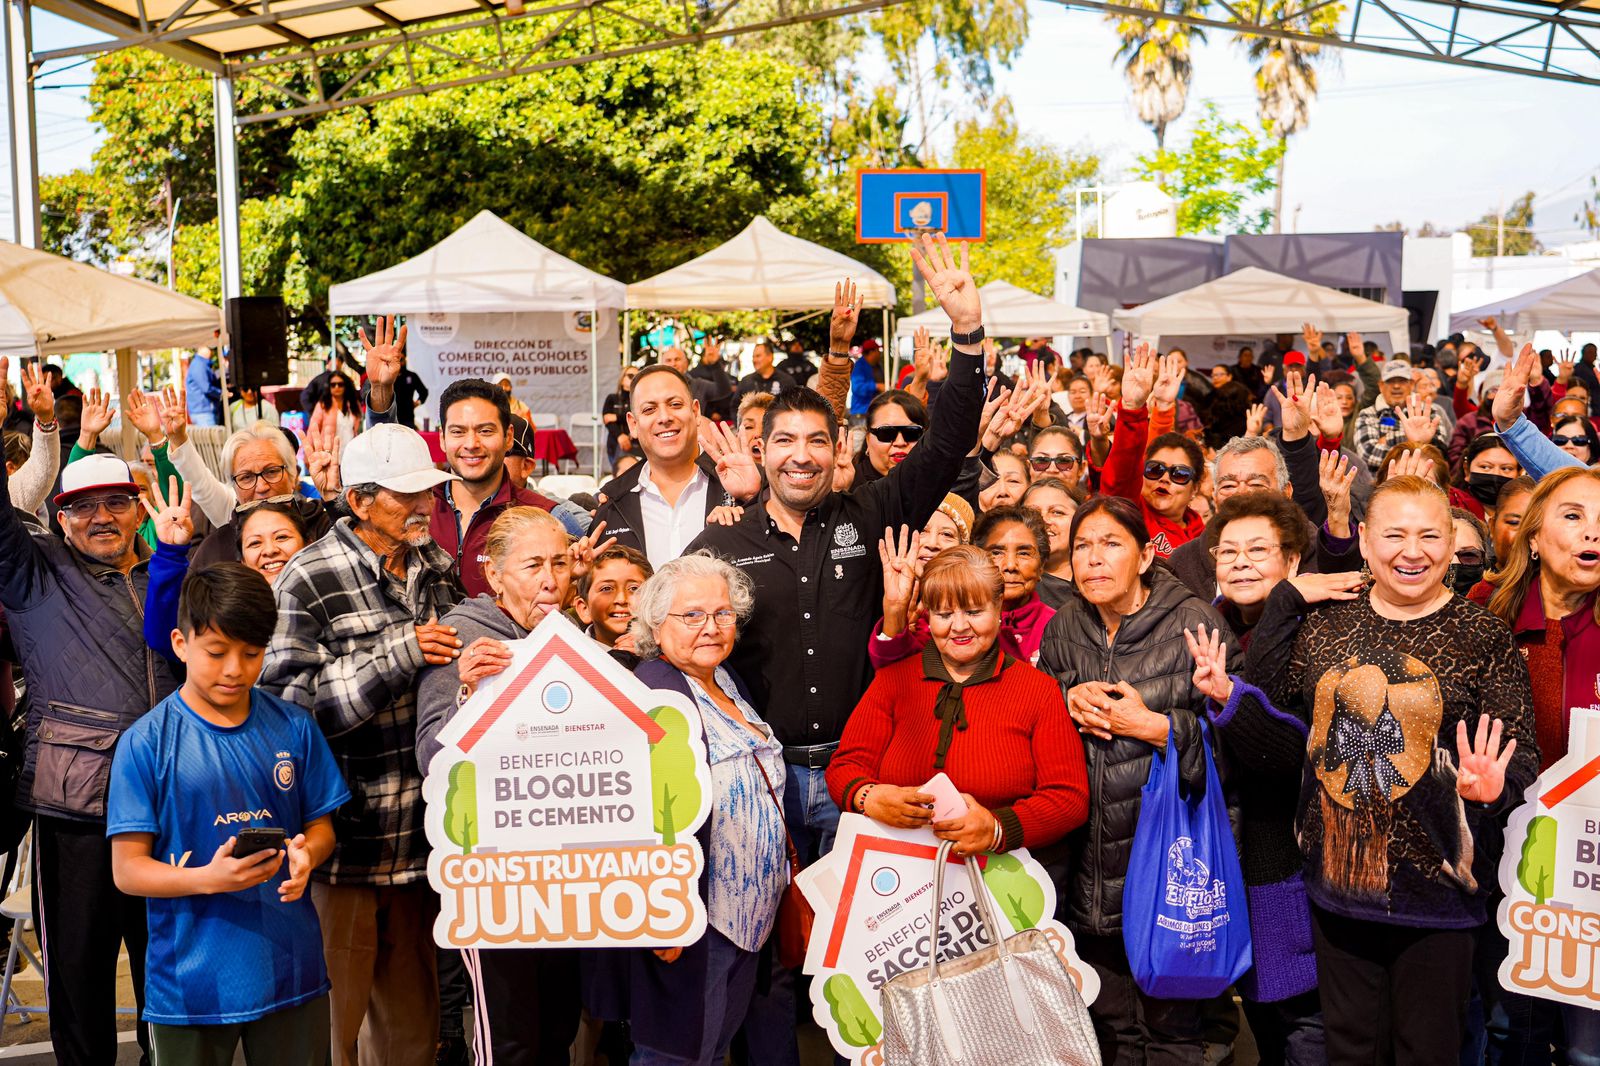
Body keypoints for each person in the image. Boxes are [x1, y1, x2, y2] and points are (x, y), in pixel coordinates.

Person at [687, 240, 985, 1061]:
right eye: (785, 442)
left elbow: (948, 443)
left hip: (869, 776)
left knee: (882, 949)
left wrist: (967, 339)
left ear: (837, 451)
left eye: (817, 442)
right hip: (765, 780)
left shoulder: (872, 515)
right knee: (772, 959)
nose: (802, 456)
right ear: (762, 452)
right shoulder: (722, 547)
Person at [1251, 475, 1538, 1066]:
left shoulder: (1483, 635)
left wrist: (1491, 791)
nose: (1413, 551)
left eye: (1430, 535)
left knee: (1427, 1052)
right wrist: (1286, 600)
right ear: (1364, 539)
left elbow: (1520, 756)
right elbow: (1265, 706)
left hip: (1442, 897)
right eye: (1395, 535)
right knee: (1350, 1049)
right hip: (1337, 889)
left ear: (1453, 544)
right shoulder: (1328, 622)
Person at [260, 423, 465, 1066]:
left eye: (427, 491)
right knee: (331, 1033)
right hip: (344, 851)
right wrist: (398, 654)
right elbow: (290, 716)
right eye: (405, 496)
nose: (423, 506)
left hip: (420, 847)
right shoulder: (305, 577)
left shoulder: (436, 565)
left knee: (410, 1035)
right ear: (359, 502)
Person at [108, 564, 348, 1066]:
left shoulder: (293, 728)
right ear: (180, 643)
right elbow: (128, 871)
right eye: (216, 653)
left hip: (292, 970)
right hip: (188, 985)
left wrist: (309, 856)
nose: (235, 669)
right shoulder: (147, 742)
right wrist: (209, 878)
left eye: (252, 653)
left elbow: (320, 827)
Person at [1038, 494, 1236, 1064]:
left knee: (1173, 1036)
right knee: (1109, 1030)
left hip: (1170, 867)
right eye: (1082, 547)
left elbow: (1241, 743)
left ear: (1147, 556)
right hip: (1089, 867)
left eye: (1111, 544)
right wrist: (1062, 699)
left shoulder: (1195, 622)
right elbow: (1039, 724)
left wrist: (1156, 728)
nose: (1094, 560)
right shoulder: (1065, 626)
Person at [0, 450, 181, 1065]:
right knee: (79, 978)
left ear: (139, 510)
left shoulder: (168, 570)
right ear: (59, 516)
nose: (101, 517)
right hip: (77, 809)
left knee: (170, 973)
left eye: (116, 502)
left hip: (169, 805)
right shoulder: (35, 573)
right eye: (83, 506)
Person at [586, 553, 787, 1066]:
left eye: (723, 614)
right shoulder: (656, 690)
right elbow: (637, 816)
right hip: (694, 919)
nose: (712, 628)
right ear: (657, 622)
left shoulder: (725, 681)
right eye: (692, 615)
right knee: (673, 1055)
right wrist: (663, 914)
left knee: (711, 1049)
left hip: (743, 917)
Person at [415, 507, 587, 1064]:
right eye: (533, 564)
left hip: (566, 872)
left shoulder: (573, 637)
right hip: (495, 875)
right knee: (509, 1039)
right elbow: (431, 755)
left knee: (558, 1027)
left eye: (560, 563)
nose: (550, 579)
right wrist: (466, 693)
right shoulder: (462, 635)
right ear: (494, 575)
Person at [828, 543, 1090, 856]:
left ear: (998, 609)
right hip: (898, 874)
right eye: (944, 614)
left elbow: (1068, 798)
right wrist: (868, 796)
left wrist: (996, 828)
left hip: (996, 877)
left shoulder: (1038, 691)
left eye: (974, 612)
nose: (959, 626)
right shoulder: (894, 680)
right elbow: (846, 765)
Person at [1471, 467, 1600, 1064]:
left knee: (1584, 1050)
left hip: (1589, 869)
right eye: (1573, 517)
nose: (1591, 534)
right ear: (1531, 534)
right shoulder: (1481, 610)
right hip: (1500, 855)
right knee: (1506, 1029)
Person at [591, 366, 754, 568]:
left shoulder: (739, 487)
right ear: (633, 424)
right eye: (649, 409)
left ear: (695, 412)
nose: (664, 417)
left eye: (675, 404)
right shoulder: (613, 506)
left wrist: (755, 497)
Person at [426, 378, 575, 596]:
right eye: (458, 432)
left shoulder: (549, 517)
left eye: (485, 431)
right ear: (442, 439)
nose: (471, 444)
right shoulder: (417, 509)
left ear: (508, 437)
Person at [871, 506, 1056, 669]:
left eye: (1024, 553)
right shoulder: (935, 619)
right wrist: (896, 617)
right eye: (996, 552)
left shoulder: (1057, 626)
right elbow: (896, 678)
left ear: (1042, 566)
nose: (1010, 565)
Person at [174, 418, 335, 570]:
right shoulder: (216, 550)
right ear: (234, 487)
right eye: (247, 477)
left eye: (271, 472)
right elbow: (202, 485)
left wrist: (333, 497)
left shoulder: (325, 527)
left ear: (293, 476)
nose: (261, 487)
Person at [1100, 346, 1205, 559]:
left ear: (1195, 488)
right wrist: (1131, 408)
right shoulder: (1131, 513)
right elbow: (1124, 466)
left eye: (1180, 474)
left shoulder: (1205, 537)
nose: (1164, 478)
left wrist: (1166, 405)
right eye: (1154, 470)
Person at [1352, 360, 1448, 474]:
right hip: (1382, 485)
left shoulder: (1428, 410)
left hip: (1424, 481)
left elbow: (1438, 452)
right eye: (1390, 381)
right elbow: (1369, 453)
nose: (1396, 386)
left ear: (1412, 384)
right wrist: (1416, 442)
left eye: (1402, 381)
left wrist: (1388, 439)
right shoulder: (1367, 414)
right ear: (1381, 386)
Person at [574, 543, 652, 652]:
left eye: (634, 588)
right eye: (606, 589)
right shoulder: (570, 654)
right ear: (584, 608)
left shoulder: (670, 656)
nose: (621, 599)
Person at [1022, 477, 1079, 609]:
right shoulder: (1011, 586)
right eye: (1033, 512)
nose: (1045, 520)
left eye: (1057, 512)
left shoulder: (1098, 578)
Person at [855, 388, 926, 488]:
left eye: (911, 432)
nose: (900, 442)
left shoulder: (941, 491)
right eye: (886, 433)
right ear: (868, 440)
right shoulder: (845, 491)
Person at [1454, 433, 1522, 521]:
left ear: (1519, 474)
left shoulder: (1529, 512)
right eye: (1485, 467)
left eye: (1506, 468)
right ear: (1467, 470)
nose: (1496, 474)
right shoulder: (1450, 506)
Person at [307, 371, 361, 449]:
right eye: (333, 385)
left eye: (340, 384)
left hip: (351, 452)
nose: (336, 387)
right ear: (329, 386)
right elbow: (313, 429)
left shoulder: (354, 405)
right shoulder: (323, 405)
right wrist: (308, 454)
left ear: (346, 386)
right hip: (329, 452)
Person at [688, 339, 738, 423]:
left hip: (720, 419)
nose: (673, 363)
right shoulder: (694, 375)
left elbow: (724, 390)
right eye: (669, 360)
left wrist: (715, 364)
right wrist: (710, 413)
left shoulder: (696, 382)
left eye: (677, 359)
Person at [1027, 424, 1086, 493]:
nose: (1052, 470)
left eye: (1063, 461)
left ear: (1081, 469)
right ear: (1029, 467)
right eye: (1042, 461)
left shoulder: (1096, 504)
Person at [1206, 362, 1254, 446]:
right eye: (1214, 375)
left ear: (1229, 376)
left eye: (1220, 374)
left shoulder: (1237, 389)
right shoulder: (1209, 397)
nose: (1216, 378)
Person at [603, 365, 638, 469]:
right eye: (631, 376)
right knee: (619, 473)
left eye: (637, 376)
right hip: (615, 441)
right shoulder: (612, 398)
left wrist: (617, 417)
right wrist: (620, 436)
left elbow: (638, 416)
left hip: (636, 441)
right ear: (622, 379)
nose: (634, 379)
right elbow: (607, 420)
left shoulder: (640, 399)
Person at [186, 348, 224, 427]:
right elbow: (206, 388)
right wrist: (221, 393)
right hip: (203, 411)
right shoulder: (199, 365)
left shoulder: (198, 364)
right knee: (212, 438)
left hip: (201, 411)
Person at [850, 337, 885, 419]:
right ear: (871, 352)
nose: (880, 353)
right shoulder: (859, 367)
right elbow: (857, 388)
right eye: (878, 350)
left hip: (875, 410)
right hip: (861, 412)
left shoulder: (878, 365)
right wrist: (877, 386)